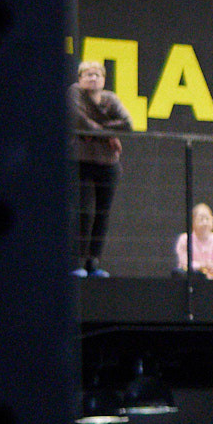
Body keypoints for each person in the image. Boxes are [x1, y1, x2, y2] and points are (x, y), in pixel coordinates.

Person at [70, 57, 133, 277]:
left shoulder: (111, 99)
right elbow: (80, 122)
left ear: (104, 80)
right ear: (80, 78)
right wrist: (108, 134)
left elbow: (128, 124)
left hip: (108, 164)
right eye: (88, 74)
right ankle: (76, 262)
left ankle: (93, 263)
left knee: (102, 214)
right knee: (83, 213)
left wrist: (98, 133)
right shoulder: (74, 94)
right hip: (82, 162)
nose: (93, 78)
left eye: (97, 74)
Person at [173, 203, 213, 278]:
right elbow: (184, 262)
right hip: (193, 273)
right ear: (193, 222)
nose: (205, 223)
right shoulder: (185, 239)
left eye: (207, 219)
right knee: (177, 272)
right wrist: (201, 266)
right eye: (201, 219)